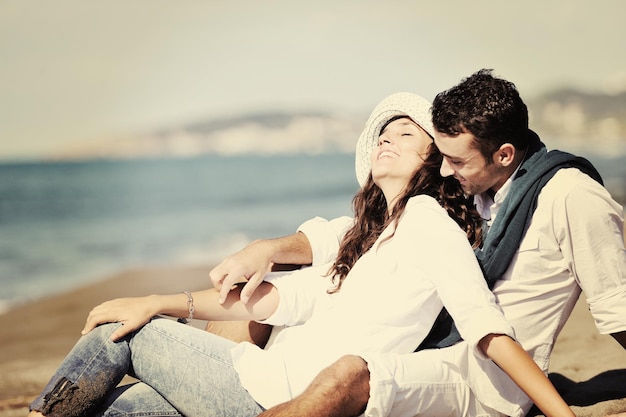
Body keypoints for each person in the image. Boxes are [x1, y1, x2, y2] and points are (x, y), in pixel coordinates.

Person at [27, 92, 575, 417]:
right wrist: (160, 299)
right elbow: (271, 300)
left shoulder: (427, 221)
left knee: (119, 335)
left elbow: (485, 325)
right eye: (383, 132)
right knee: (126, 408)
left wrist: (557, 410)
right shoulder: (372, 238)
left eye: (405, 134)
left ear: (433, 163)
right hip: (259, 377)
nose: (386, 137)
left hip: (278, 393)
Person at [210, 70, 626, 417]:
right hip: (431, 344)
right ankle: (211, 392)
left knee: (348, 374)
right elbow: (356, 232)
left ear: (503, 154)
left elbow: (618, 309)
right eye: (441, 156)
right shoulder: (471, 187)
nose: (444, 170)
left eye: (457, 161)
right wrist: (267, 248)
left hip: (482, 377)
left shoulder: (571, 197)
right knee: (263, 289)